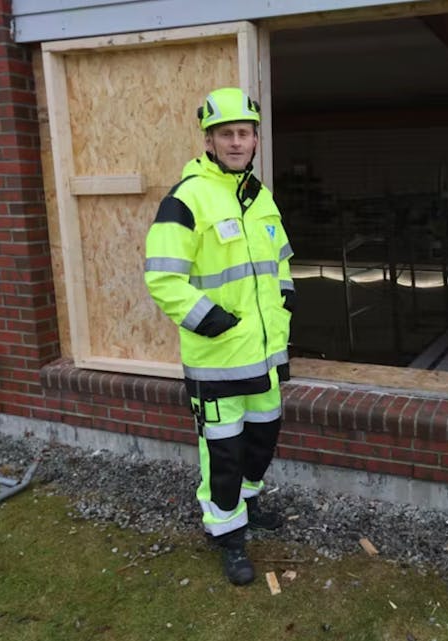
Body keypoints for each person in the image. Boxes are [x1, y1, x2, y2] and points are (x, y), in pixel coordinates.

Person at [144, 87, 294, 586]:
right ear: (208, 140)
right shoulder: (186, 198)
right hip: (217, 357)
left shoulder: (260, 196)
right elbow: (163, 277)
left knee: (262, 439)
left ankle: (248, 504)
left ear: (255, 139)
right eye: (225, 134)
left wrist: (286, 301)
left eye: (244, 133)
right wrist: (209, 320)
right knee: (224, 452)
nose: (236, 142)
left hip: (264, 356)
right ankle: (227, 534)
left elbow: (281, 260)